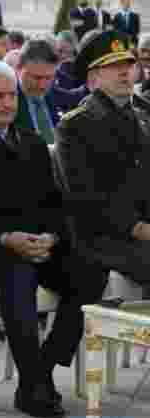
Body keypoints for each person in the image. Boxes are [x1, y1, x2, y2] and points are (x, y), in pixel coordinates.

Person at [0, 61, 107, 418]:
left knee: (90, 270)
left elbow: (52, 202)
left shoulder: (31, 141)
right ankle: (32, 386)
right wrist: (5, 237)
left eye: (12, 95)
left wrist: (50, 237)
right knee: (18, 274)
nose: (8, 103)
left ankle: (42, 368)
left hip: (34, 243)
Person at [56, 30, 150, 286]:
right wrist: (136, 227)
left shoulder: (144, 115)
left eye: (129, 64)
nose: (124, 72)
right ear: (94, 77)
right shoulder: (76, 125)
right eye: (113, 66)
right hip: (103, 236)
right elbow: (85, 195)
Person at [11, 39, 67, 144]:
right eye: (36, 78)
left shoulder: (57, 96)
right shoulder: (7, 100)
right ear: (18, 69)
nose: (42, 86)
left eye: (49, 78)